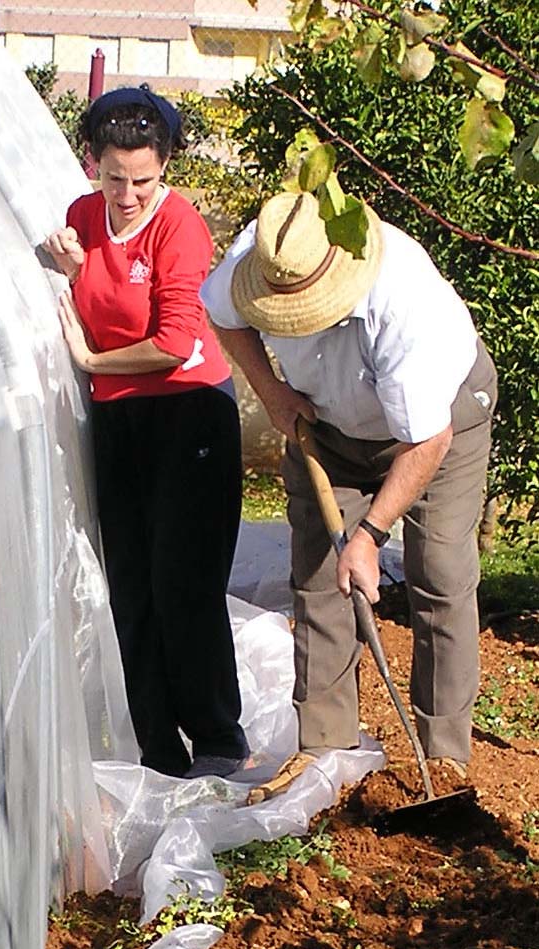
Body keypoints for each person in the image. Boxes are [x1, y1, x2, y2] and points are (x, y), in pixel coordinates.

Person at [200, 190, 496, 801]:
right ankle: (325, 748)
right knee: (317, 578)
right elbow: (224, 316)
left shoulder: (402, 303)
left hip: (439, 427)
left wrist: (369, 536)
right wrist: (274, 394)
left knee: (438, 573)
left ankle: (442, 760)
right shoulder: (259, 258)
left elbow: (428, 440)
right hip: (328, 428)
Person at [42, 85, 249, 779]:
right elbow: (91, 291)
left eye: (143, 181)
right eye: (114, 178)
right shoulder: (82, 216)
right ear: (92, 164)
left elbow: (171, 340)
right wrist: (71, 269)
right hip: (119, 415)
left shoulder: (179, 227)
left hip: (187, 411)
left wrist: (94, 361)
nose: (127, 195)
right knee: (130, 582)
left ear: (164, 169)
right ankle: (160, 752)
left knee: (181, 581)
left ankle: (218, 739)